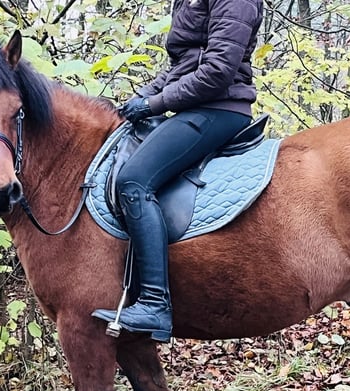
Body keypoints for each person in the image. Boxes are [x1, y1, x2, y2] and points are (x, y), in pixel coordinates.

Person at [92, 0, 265, 342]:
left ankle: (155, 303)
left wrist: (156, 104)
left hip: (218, 108)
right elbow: (181, 69)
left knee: (134, 180)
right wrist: (137, 100)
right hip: (193, 106)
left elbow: (218, 71)